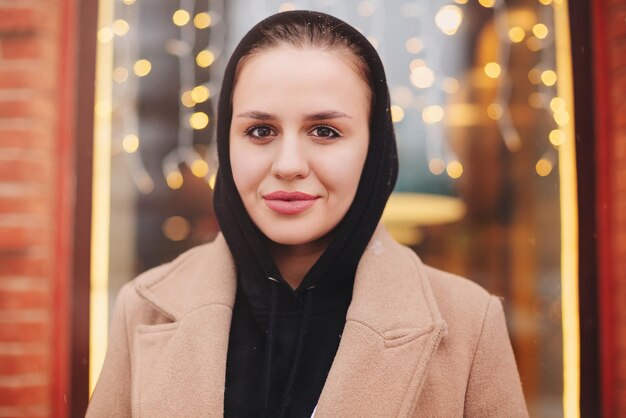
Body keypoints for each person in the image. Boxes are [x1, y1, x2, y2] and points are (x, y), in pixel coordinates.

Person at [86, 10, 528, 418]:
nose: (289, 164)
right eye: (260, 131)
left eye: (324, 131)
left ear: (373, 148)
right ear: (227, 141)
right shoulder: (143, 309)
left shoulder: (469, 322)